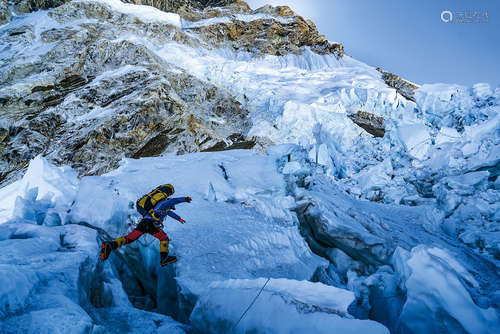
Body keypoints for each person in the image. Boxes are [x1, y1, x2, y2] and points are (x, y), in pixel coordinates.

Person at [100, 184, 192, 266]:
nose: (171, 208)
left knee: (129, 238)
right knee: (164, 239)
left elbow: (171, 213)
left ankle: (110, 245)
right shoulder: (164, 203)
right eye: (171, 207)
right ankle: (164, 258)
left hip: (143, 223)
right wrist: (185, 199)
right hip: (150, 224)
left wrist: (179, 219)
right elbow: (173, 201)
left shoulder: (163, 209)